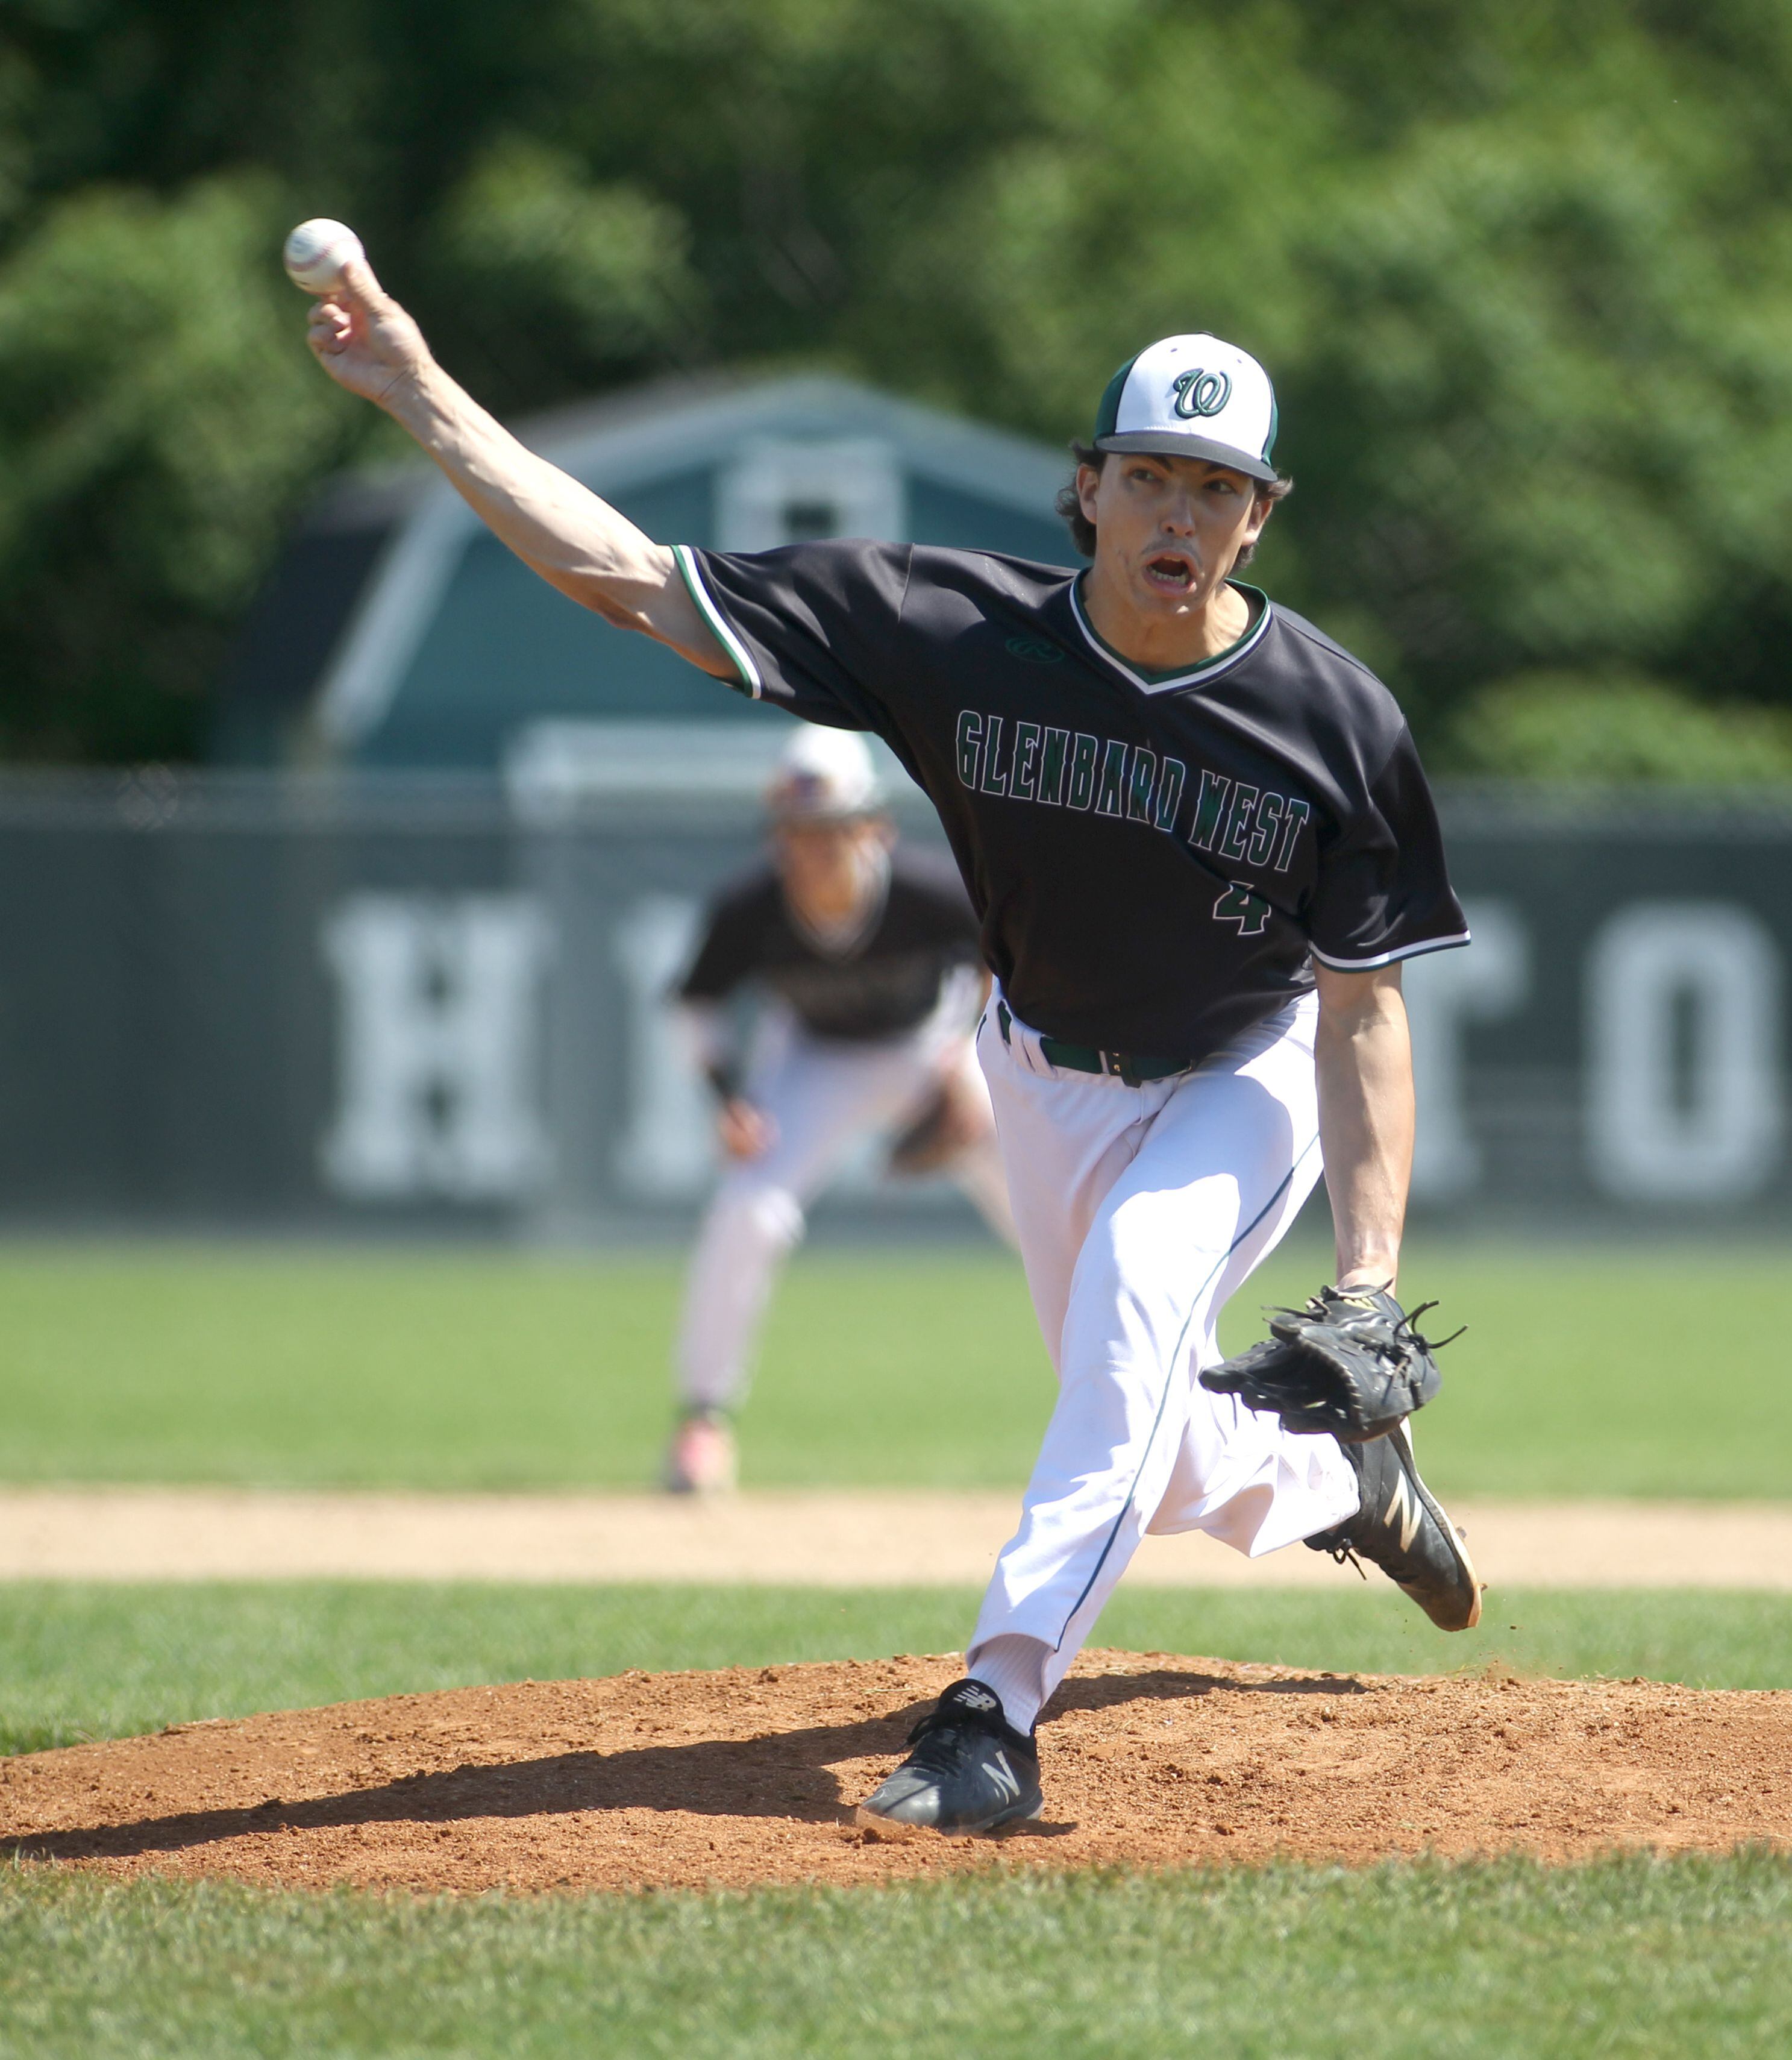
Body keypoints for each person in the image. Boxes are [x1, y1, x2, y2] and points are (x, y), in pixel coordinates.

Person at [304, 257, 1480, 1837]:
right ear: (1089, 486)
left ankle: (992, 1711)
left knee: (1139, 1311)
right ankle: (1351, 1488)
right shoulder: (950, 628)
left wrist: (1365, 1272)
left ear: (1259, 515)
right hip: (1039, 1073)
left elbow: (1362, 1006)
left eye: (1215, 488)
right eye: (1148, 478)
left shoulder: (1336, 719)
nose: (1176, 518)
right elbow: (633, 579)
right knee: (1157, 1438)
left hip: (1235, 1072)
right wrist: (418, 394)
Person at [662, 724, 1015, 1496]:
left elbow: (1007, 962)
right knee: (749, 1210)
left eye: (831, 830)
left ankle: (1154, 1405)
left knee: (1047, 1213)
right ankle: (702, 1423)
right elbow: (695, 1007)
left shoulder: (929, 890)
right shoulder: (750, 908)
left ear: (875, 830)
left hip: (932, 1044)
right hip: (815, 1059)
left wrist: (971, 1058)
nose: (812, 850)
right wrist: (727, 1101)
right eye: (795, 833)